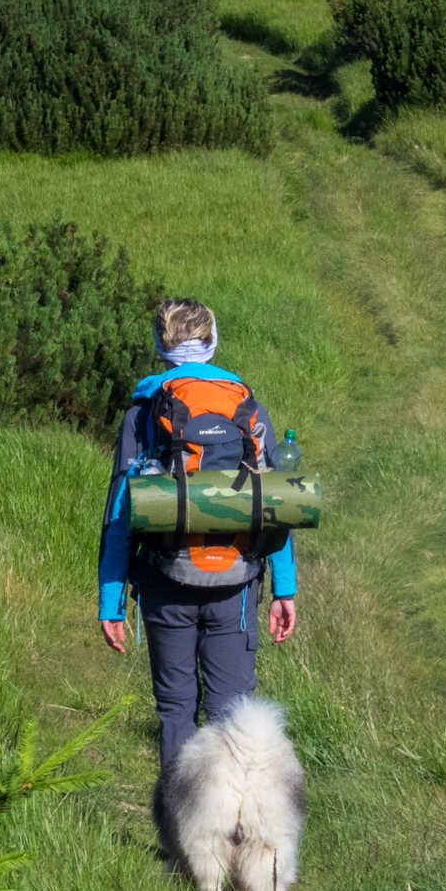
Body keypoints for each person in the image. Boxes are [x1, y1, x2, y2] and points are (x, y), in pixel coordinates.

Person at [98, 299, 298, 768]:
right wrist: (283, 589)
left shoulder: (143, 413)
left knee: (175, 711)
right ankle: (241, 833)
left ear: (159, 346)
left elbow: (120, 514)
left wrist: (111, 599)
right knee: (234, 714)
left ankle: (181, 838)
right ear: (212, 342)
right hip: (237, 578)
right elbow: (271, 502)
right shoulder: (247, 405)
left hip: (165, 577)